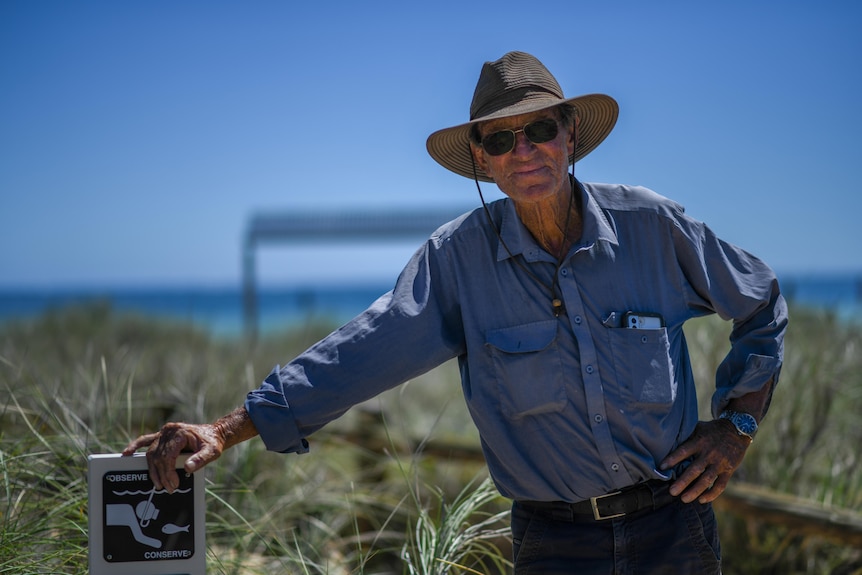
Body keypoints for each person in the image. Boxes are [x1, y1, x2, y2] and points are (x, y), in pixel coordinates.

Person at [125, 51, 787, 573]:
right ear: (481, 160)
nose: (522, 150)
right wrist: (223, 428)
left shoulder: (652, 227)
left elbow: (761, 302)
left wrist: (738, 423)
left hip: (673, 530)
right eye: (500, 141)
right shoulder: (457, 262)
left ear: (570, 133)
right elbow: (360, 354)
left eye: (538, 129)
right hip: (553, 545)